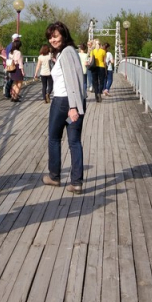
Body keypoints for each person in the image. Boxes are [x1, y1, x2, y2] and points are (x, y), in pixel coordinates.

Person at [42, 21, 86, 193]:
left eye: (55, 36)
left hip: (63, 103)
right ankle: (76, 182)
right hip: (74, 102)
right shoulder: (69, 52)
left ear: (63, 35)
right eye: (50, 38)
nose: (52, 40)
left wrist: (73, 107)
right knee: (74, 141)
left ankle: (54, 176)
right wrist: (77, 106)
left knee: (54, 138)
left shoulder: (66, 53)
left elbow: (71, 80)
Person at [3, 33, 21, 98]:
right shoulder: (13, 46)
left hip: (9, 63)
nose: (19, 39)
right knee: (12, 79)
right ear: (16, 39)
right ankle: (8, 93)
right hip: (12, 64)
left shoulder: (9, 46)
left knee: (12, 79)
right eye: (18, 38)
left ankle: (10, 93)